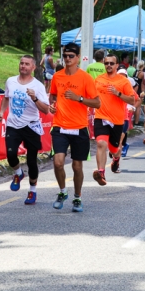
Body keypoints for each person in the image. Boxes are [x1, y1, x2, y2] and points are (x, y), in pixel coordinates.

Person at [48, 43, 101, 212]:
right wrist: (52, 106)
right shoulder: (57, 76)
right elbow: (53, 96)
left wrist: (79, 99)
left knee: (77, 167)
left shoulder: (85, 78)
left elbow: (97, 103)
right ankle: (63, 192)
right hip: (60, 126)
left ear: (78, 57)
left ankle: (77, 197)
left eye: (71, 56)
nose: (68, 59)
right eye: (65, 56)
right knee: (58, 163)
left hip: (79, 128)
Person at [0, 55, 50, 205]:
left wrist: (34, 98)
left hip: (31, 126)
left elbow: (45, 110)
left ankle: (32, 190)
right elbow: (6, 97)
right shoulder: (11, 81)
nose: (23, 66)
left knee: (32, 161)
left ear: (33, 67)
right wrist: (1, 112)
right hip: (13, 124)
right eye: (21, 63)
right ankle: (18, 173)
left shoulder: (38, 86)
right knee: (11, 154)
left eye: (27, 64)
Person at [93, 55, 137, 183]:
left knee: (114, 150)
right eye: (106, 63)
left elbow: (132, 100)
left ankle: (116, 159)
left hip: (117, 120)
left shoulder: (123, 81)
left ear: (117, 65)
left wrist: (118, 93)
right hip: (100, 117)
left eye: (112, 63)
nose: (109, 66)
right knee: (101, 144)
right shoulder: (98, 80)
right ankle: (101, 173)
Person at [117, 68, 139, 157]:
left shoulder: (129, 88)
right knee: (116, 136)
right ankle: (122, 146)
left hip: (125, 114)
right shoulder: (112, 87)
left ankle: (120, 150)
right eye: (120, 76)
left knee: (122, 134)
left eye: (124, 76)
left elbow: (138, 99)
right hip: (113, 116)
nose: (121, 78)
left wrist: (133, 108)